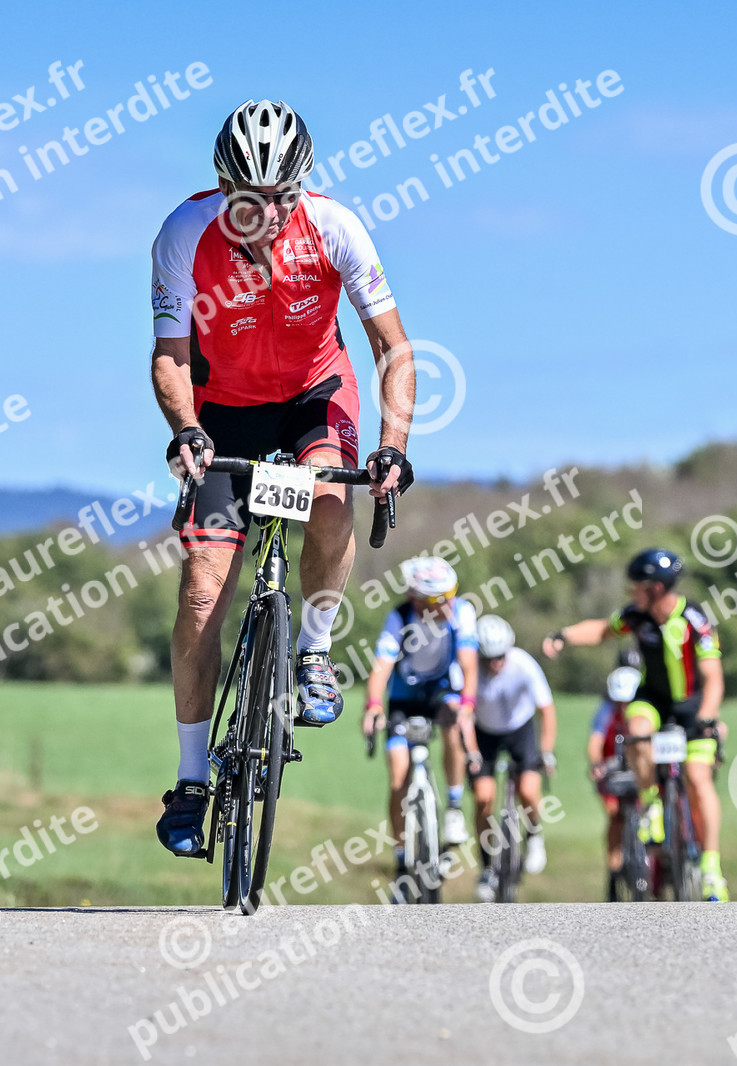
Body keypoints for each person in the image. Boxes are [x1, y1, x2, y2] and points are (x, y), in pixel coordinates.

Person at [153, 100, 416, 857]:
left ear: (300, 188)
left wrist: (392, 446)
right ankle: (192, 780)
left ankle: (314, 650)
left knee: (330, 497)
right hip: (223, 410)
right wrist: (186, 429)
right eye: (247, 197)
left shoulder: (336, 228)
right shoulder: (184, 233)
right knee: (202, 591)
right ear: (222, 186)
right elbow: (170, 354)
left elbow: (393, 349)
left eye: (279, 197)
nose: (264, 213)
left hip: (312, 397)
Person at [543, 547, 729, 901]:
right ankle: (651, 803)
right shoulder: (637, 616)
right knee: (638, 730)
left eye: (637, 586)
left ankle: (711, 869)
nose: (631, 593)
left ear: (656, 588)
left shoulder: (695, 620)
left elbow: (714, 678)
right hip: (653, 699)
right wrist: (563, 635)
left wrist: (706, 718)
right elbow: (601, 630)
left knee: (697, 779)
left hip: (693, 706)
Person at [363, 557, 481, 876]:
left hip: (442, 691)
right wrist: (373, 705)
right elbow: (381, 668)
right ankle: (401, 855)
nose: (449, 604)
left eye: (452, 594)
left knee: (454, 721)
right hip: (404, 698)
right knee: (398, 777)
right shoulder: (399, 618)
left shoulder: (462, 612)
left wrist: (468, 704)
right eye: (441, 599)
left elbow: (469, 666)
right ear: (418, 601)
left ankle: (454, 806)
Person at [469, 615, 557, 902]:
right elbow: (463, 714)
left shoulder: (523, 664)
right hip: (485, 733)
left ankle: (534, 835)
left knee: (528, 790)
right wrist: (470, 751)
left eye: (500, 657)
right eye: (488, 658)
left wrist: (546, 752)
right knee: (483, 798)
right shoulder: (469, 668)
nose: (495, 664)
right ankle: (487, 868)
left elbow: (546, 709)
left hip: (520, 729)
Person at [588, 664, 653, 900]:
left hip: (642, 773)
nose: (624, 706)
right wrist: (597, 765)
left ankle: (654, 865)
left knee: (650, 812)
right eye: (619, 701)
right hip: (612, 772)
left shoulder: (647, 712)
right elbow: (595, 742)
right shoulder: (606, 711)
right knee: (616, 816)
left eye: (628, 701)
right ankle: (614, 871)